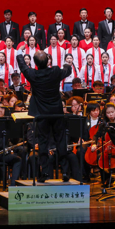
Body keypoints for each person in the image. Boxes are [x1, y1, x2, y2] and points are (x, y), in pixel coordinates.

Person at [16, 50, 74, 182]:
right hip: (56, 112)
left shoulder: (33, 74)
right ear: (48, 61)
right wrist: (66, 64)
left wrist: (19, 54)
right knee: (60, 141)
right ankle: (65, 171)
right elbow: (68, 71)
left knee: (43, 143)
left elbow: (23, 66)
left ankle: (45, 172)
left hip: (41, 114)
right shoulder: (55, 71)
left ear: (35, 63)